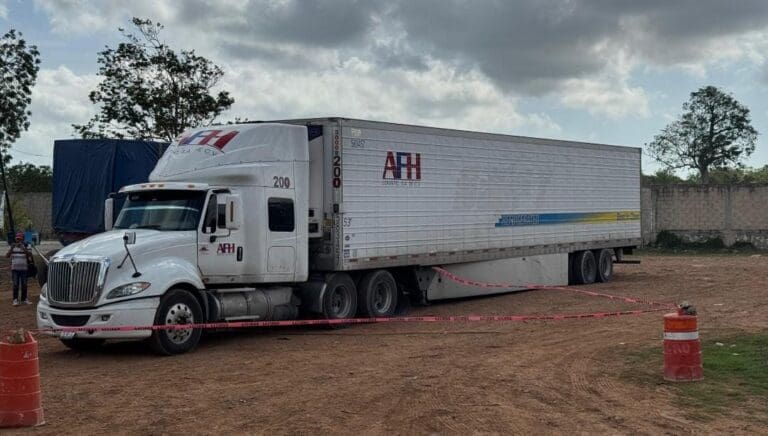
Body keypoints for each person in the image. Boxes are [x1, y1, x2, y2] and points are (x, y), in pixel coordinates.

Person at [6, 231, 31, 306]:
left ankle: (24, 299)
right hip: (15, 269)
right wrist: (11, 249)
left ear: (23, 239)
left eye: (20, 239)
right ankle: (15, 299)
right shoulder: (12, 246)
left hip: (24, 269)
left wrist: (23, 248)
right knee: (16, 284)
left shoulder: (27, 245)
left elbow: (29, 255)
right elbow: (7, 256)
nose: (19, 241)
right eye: (17, 239)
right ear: (15, 239)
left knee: (24, 284)